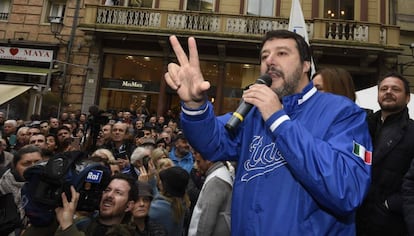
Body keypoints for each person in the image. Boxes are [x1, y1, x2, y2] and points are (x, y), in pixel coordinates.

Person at [164, 30, 372, 235]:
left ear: (306, 65)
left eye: (282, 53)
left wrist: (279, 120)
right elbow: (211, 142)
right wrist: (195, 106)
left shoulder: (343, 112)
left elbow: (347, 190)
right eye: (264, 56)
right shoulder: (254, 114)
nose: (269, 61)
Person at [356, 72, 414, 236]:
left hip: (391, 223)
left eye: (395, 89)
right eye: (384, 89)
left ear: (407, 98)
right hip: (358, 218)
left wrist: (391, 204)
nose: (388, 92)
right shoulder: (363, 126)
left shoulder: (412, 132)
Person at [54, 173, 138, 236]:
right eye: (107, 190)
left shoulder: (129, 233)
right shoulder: (81, 223)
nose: (109, 195)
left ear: (128, 206)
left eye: (118, 193)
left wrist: (68, 226)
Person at [0, 145, 43, 235]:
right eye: (26, 164)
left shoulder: (51, 187)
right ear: (15, 167)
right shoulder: (3, 188)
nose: (33, 167)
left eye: (38, 162)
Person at [188, 151, 233, 236]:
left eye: (198, 162)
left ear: (208, 160)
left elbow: (207, 219)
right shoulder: (219, 173)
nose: (196, 166)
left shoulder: (216, 180)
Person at [149, 166, 190, 236]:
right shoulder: (182, 203)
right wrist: (153, 185)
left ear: (165, 186)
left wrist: (141, 184)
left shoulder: (158, 209)